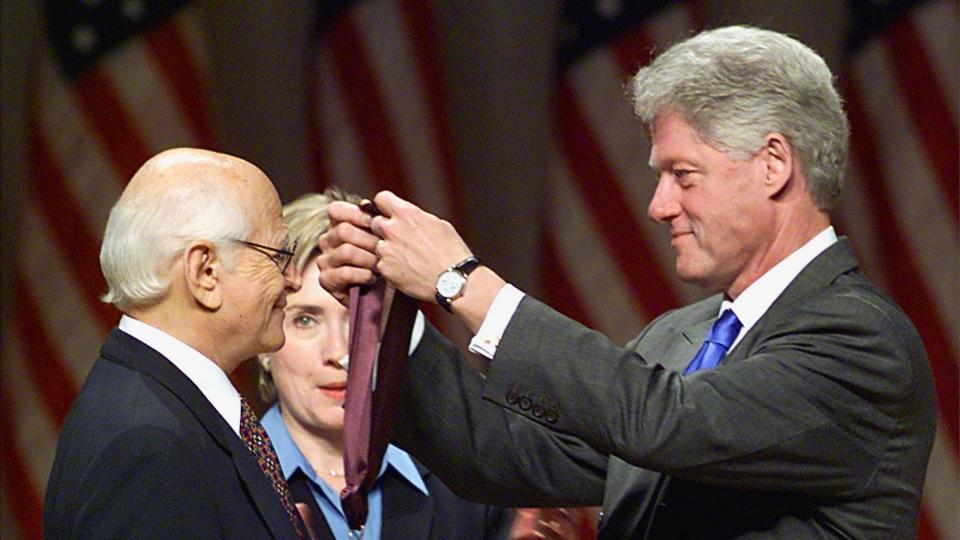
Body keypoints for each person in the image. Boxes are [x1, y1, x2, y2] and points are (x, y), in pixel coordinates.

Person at [314, 26, 937, 539]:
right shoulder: (681, 336)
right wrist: (393, 315)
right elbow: (504, 453)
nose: (658, 205)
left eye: (683, 174)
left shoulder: (860, 339)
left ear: (773, 165)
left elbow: (672, 423)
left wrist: (464, 283)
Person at [44, 148, 306, 539]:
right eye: (279, 254)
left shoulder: (160, 408)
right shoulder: (147, 443)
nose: (294, 279)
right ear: (205, 272)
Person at [256, 188, 514, 540]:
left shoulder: (469, 483)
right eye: (305, 320)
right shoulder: (222, 482)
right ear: (264, 343)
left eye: (358, 320)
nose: (339, 352)